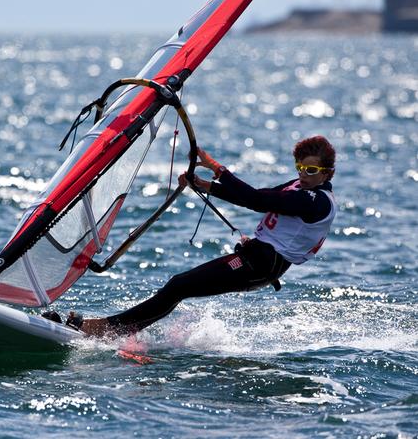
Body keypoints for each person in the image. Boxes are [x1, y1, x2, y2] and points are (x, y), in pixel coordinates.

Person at [79, 135, 337, 337]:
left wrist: (216, 168)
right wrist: (206, 186)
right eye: (300, 167)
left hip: (262, 264)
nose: (303, 174)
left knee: (179, 285)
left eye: (311, 170)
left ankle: (109, 330)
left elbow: (256, 201)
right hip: (257, 257)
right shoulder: (299, 186)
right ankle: (116, 329)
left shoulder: (317, 201)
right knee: (180, 286)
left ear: (326, 173)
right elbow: (254, 194)